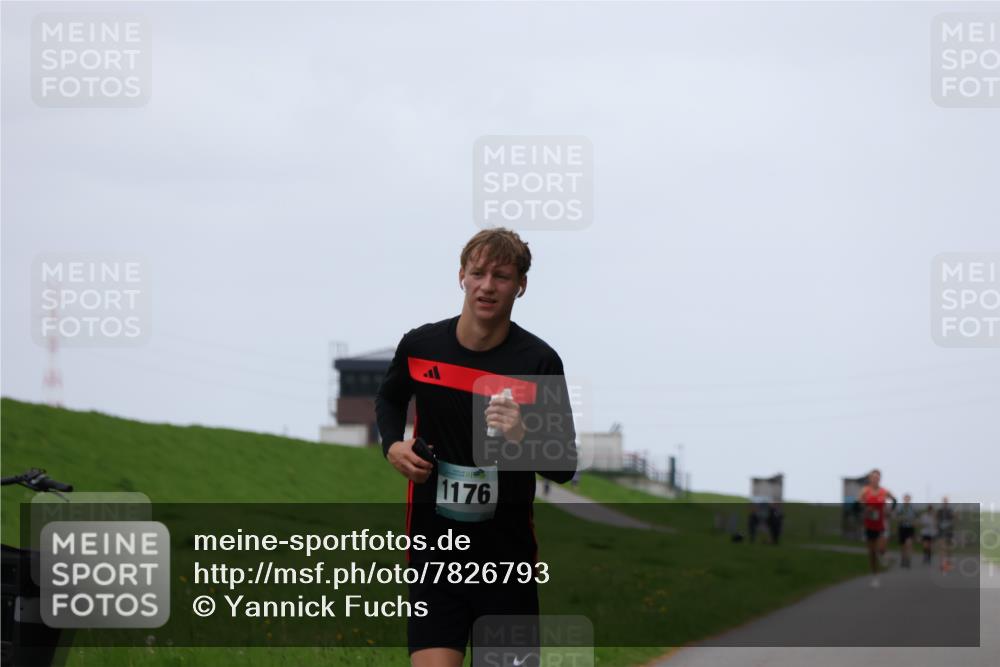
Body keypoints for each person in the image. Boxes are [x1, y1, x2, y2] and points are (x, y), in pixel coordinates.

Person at [375, 227, 577, 667]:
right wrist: (392, 445)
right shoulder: (421, 346)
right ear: (462, 276)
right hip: (435, 553)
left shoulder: (538, 362)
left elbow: (563, 465)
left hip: (507, 561)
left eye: (502, 276)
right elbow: (390, 398)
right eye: (478, 273)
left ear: (520, 285)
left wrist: (524, 434)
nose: (488, 286)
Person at [857, 469, 897, 588]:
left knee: (880, 548)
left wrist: (890, 511)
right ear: (869, 479)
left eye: (877, 477)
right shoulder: (865, 491)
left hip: (882, 524)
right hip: (869, 524)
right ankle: (875, 577)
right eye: (872, 477)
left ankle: (884, 554)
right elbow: (859, 504)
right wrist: (865, 508)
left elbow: (894, 500)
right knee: (872, 553)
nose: (874, 479)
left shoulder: (884, 491)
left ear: (880, 479)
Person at [896, 494, 917, 568]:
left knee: (909, 544)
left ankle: (908, 560)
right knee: (903, 546)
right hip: (902, 527)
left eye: (908, 499)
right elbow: (897, 517)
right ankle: (903, 559)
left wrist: (914, 523)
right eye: (905, 499)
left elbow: (915, 518)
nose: (907, 500)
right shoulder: (900, 508)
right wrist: (901, 519)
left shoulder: (912, 508)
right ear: (903, 499)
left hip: (910, 528)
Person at [937, 497, 956, 573]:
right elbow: (936, 519)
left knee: (948, 548)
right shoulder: (940, 511)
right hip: (941, 530)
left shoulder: (950, 511)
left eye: (946, 502)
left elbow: (954, 519)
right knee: (942, 547)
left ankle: (948, 562)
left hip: (949, 531)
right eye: (944, 502)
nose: (945, 503)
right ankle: (942, 564)